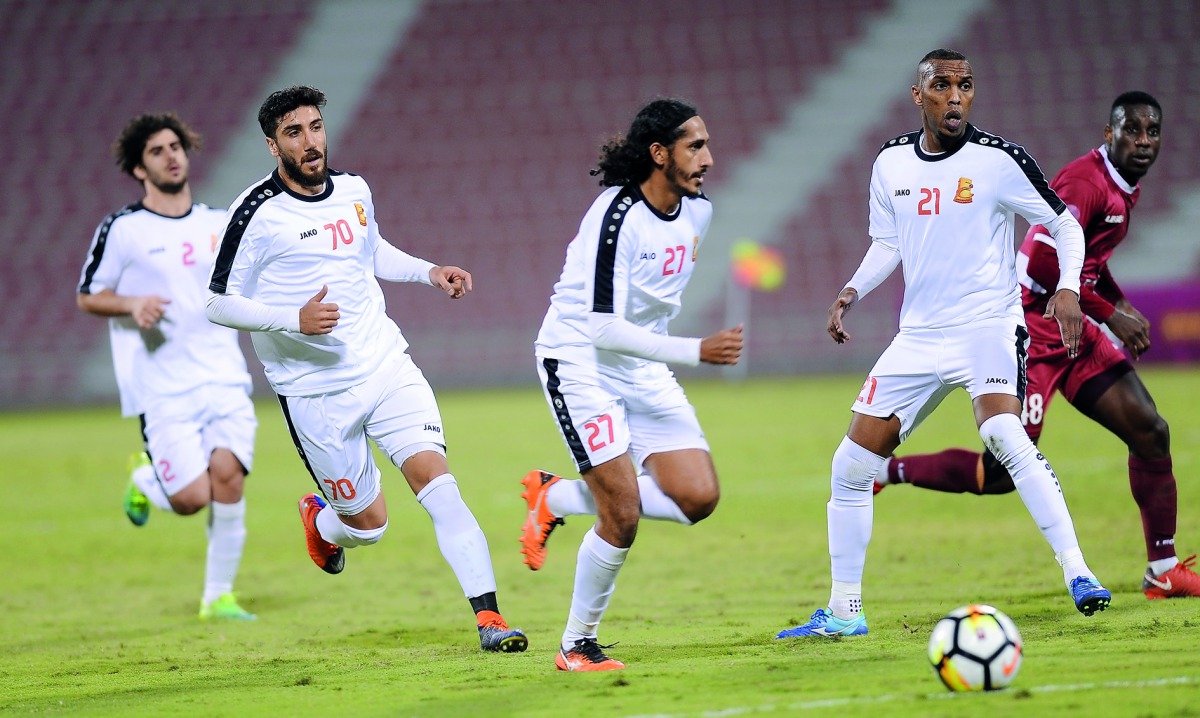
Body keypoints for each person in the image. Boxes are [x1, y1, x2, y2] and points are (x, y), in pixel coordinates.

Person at [776, 49, 1112, 640]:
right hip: (920, 335)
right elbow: (888, 242)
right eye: (942, 85)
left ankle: (1079, 573)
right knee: (851, 466)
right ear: (918, 95)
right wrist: (852, 290)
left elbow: (1064, 223)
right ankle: (845, 612)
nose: (955, 96)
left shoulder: (999, 160)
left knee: (1003, 434)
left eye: (965, 85)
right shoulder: (889, 164)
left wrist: (1066, 290)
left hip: (988, 324)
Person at [205, 86, 526, 652]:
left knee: (440, 487)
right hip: (314, 391)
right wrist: (292, 320)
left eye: (316, 127)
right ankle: (322, 521)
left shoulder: (354, 190)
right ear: (272, 144)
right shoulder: (254, 214)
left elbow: (371, 250)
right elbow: (215, 302)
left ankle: (490, 621)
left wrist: (429, 271)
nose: (311, 142)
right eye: (294, 132)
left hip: (385, 366)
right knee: (368, 526)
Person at [874, 92, 1200, 598]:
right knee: (1002, 471)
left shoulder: (1120, 187)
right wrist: (1112, 313)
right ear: (1108, 133)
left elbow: (1090, 262)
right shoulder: (1085, 182)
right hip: (1034, 328)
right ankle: (885, 469)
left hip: (1074, 330)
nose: (1142, 141)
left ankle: (1163, 567)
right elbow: (1048, 264)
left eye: (1151, 132)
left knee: (1150, 430)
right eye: (1130, 131)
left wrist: (1118, 303)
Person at [522, 98, 743, 671]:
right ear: (658, 153)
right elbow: (600, 327)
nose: (709, 159)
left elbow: (642, 318)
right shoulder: (614, 217)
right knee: (622, 512)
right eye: (696, 146)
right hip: (580, 360)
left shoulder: (699, 212)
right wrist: (696, 351)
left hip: (643, 364)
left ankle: (557, 496)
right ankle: (576, 646)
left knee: (698, 498)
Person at [77, 113, 257, 621]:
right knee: (191, 498)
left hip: (223, 375)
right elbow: (89, 296)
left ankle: (218, 596)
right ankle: (146, 480)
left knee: (229, 479)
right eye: (157, 150)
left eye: (176, 146)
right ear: (139, 168)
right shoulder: (124, 229)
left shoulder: (217, 223)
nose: (172, 155)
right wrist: (131, 304)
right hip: (164, 388)